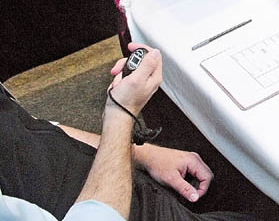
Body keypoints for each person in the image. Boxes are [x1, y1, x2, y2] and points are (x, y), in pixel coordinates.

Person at [0, 44, 265, 220]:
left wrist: (141, 154)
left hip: (114, 178)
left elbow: (31, 127)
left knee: (242, 173)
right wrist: (120, 112)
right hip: (112, 205)